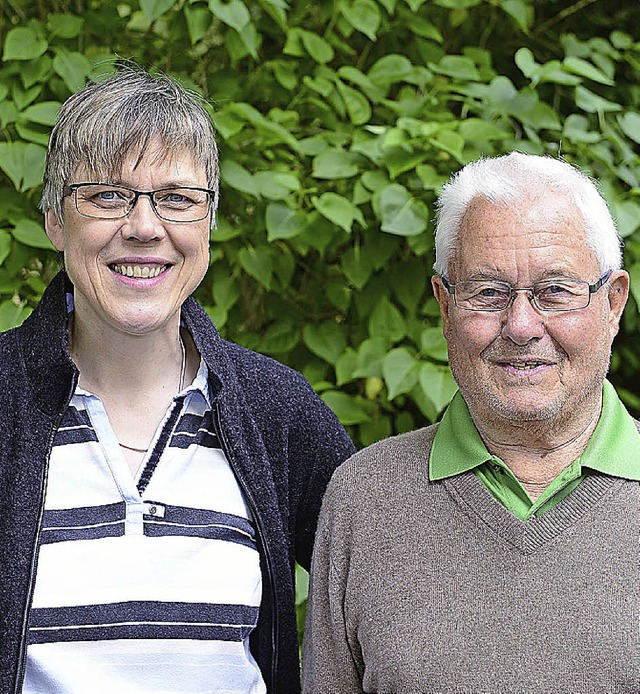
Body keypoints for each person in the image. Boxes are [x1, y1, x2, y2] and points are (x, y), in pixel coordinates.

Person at [0, 66, 355, 694]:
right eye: (107, 196)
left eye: (177, 199)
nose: (143, 226)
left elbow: (385, 599)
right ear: (56, 221)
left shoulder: (278, 412)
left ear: (209, 223)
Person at [302, 152, 639, 693]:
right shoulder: (365, 500)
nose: (522, 325)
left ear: (613, 302)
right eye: (488, 292)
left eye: (555, 291)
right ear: (443, 303)